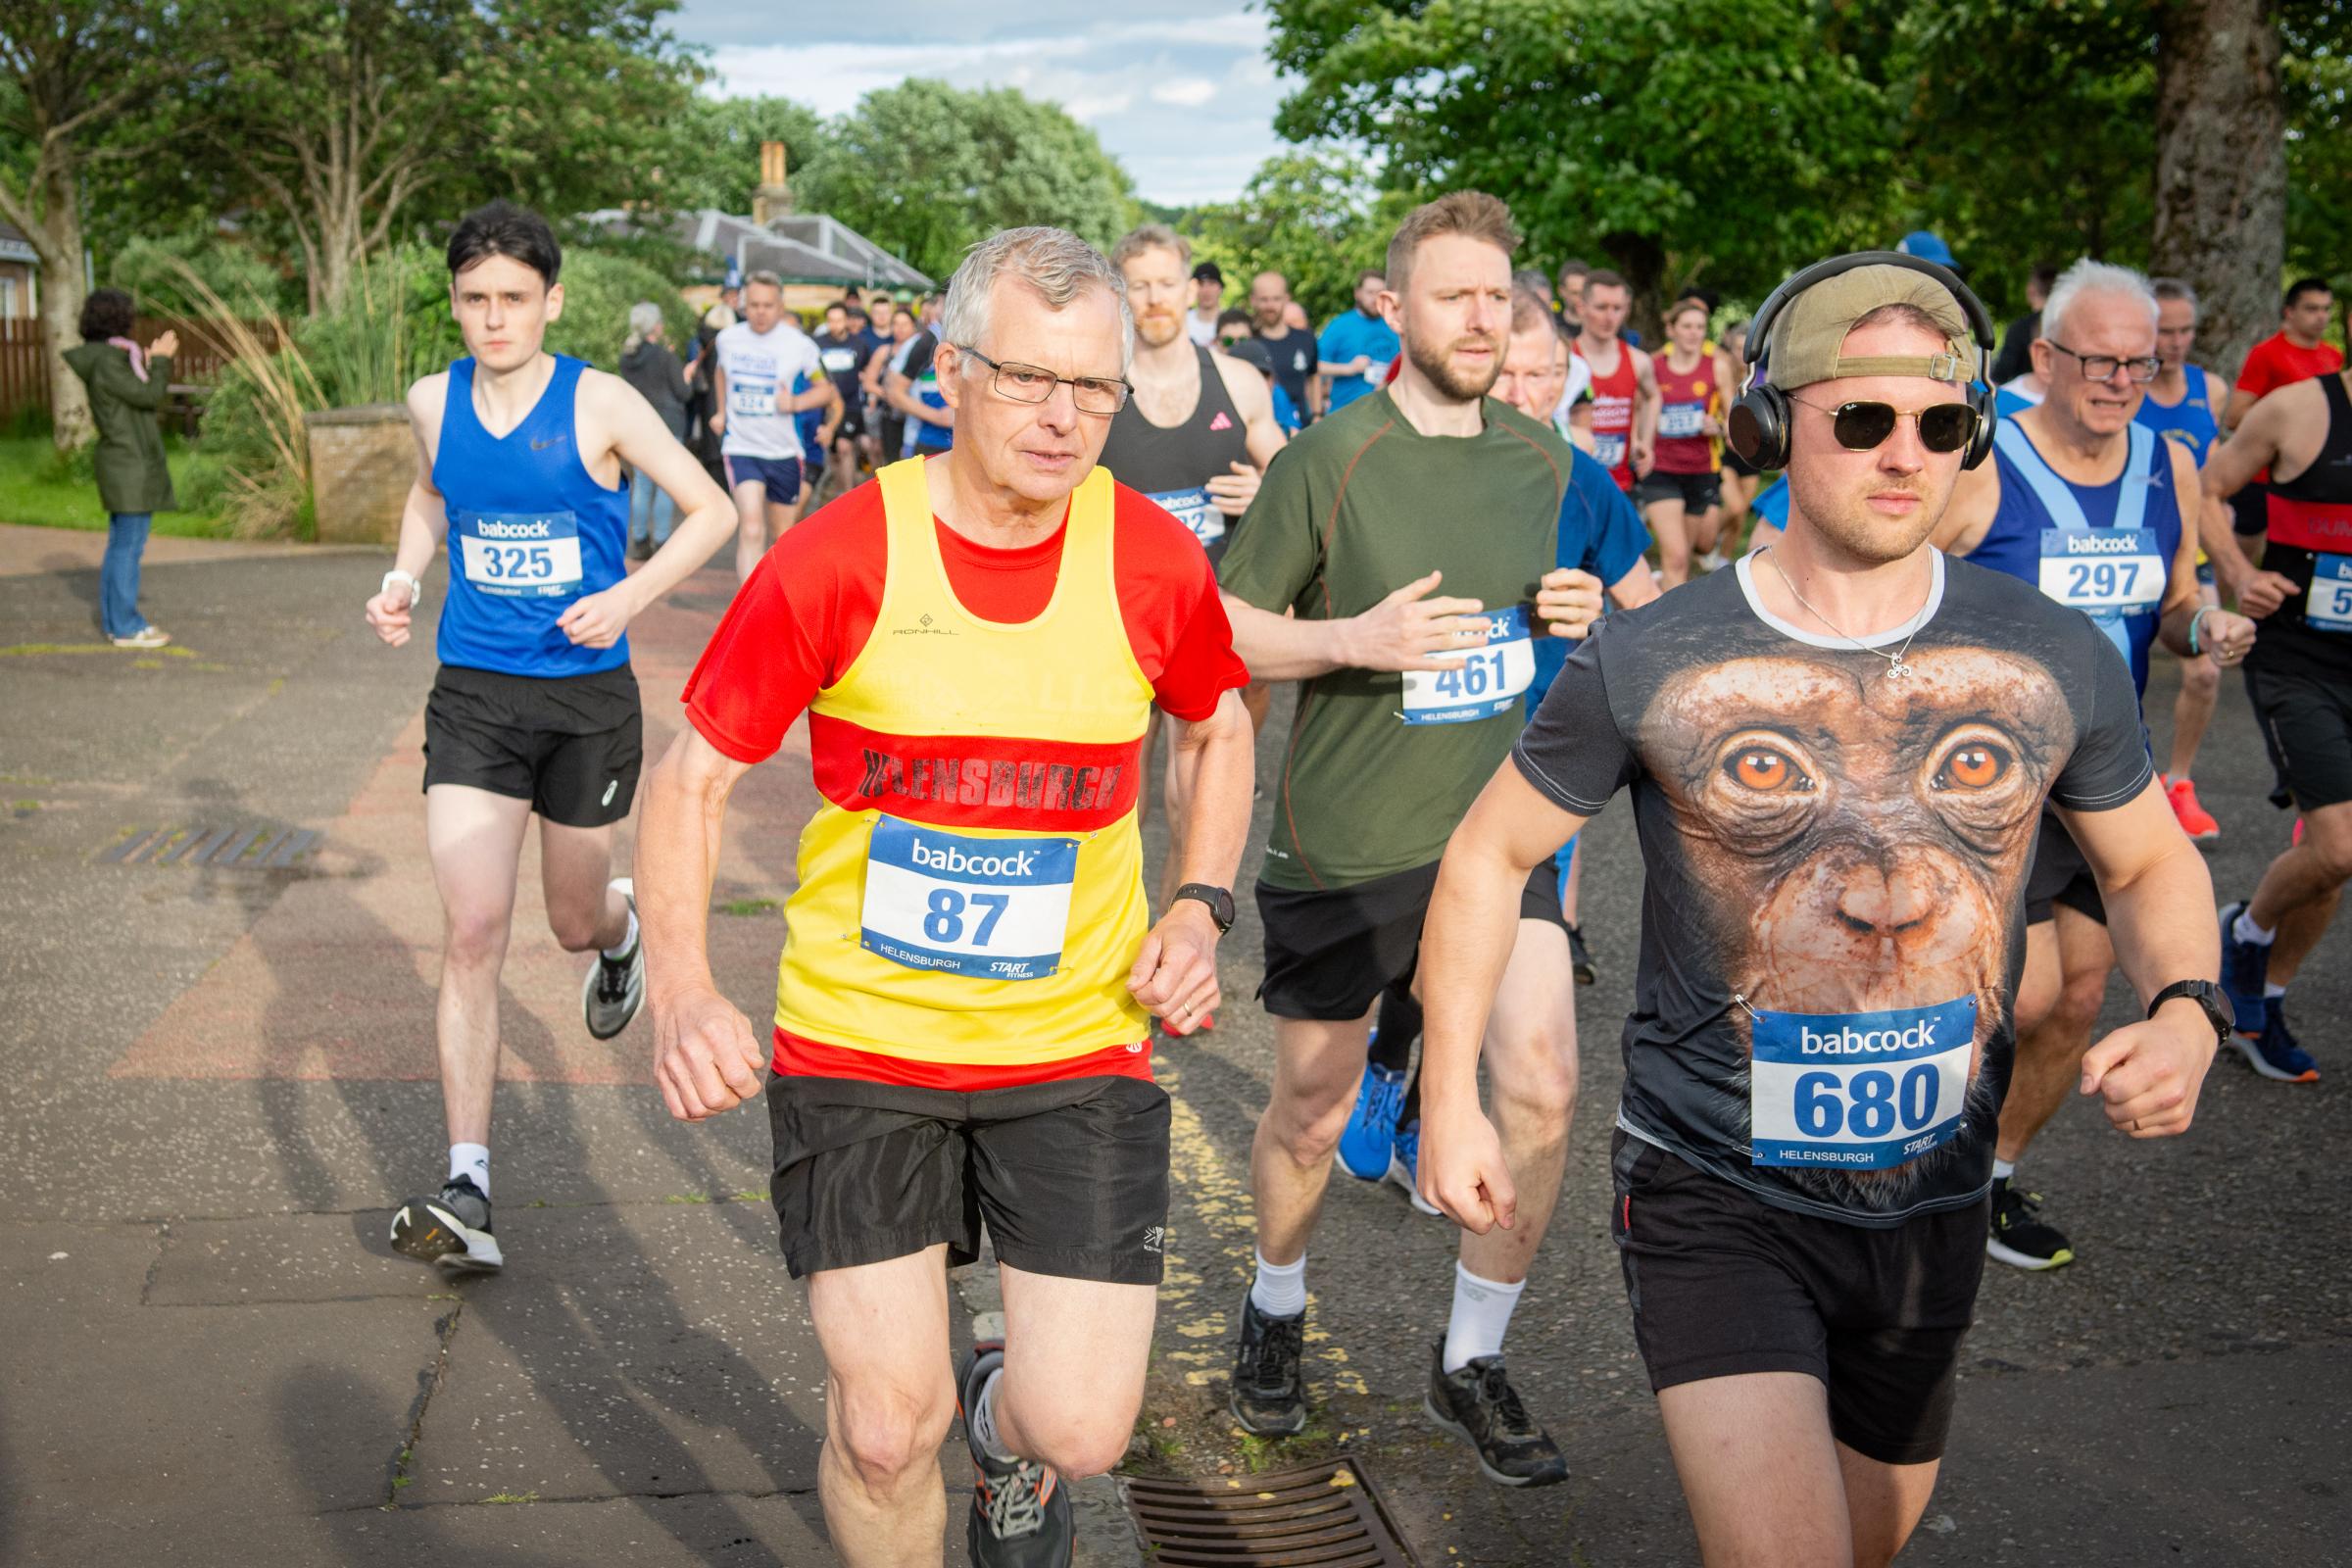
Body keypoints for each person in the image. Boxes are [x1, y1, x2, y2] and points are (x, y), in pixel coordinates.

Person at [1418, 252, 2227, 1567]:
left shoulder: (2045, 653)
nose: (1905, 454)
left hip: (1932, 1204)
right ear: (1770, 426)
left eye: (1942, 426)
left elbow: (2144, 864)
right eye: (1862, 419)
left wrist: (2190, 1006)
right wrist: (1452, 1092)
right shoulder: (1653, 654)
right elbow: (1486, 857)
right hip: (1714, 1194)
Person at [638, 224, 1254, 1568]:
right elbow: (687, 786)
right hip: (860, 1041)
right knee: (879, 1430)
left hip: (1075, 1042)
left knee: (1081, 1429)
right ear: (953, 370)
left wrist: (1200, 902)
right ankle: (934, 1430)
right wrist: (681, 988)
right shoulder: (841, 554)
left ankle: (1006, 1420)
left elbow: (1215, 727)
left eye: (1093, 388)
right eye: (1030, 379)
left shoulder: (1151, 559)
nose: (1064, 416)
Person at [1219, 191, 1607, 1489]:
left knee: (1544, 1087)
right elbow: (1221, 628)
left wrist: (1577, 604)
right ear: (1396, 308)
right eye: (1457, 296)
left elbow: (1584, 612)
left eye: (1501, 296)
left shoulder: (1545, 462)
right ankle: (1275, 1305)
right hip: (1346, 848)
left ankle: (1470, 1359)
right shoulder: (1329, 459)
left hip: (1497, 844)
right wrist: (1346, 639)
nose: (1484, 319)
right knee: (1316, 1114)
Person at [365, 201, 735, 1274]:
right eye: (474, 300)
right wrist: (401, 576)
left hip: (586, 701)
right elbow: (434, 493)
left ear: (550, 301)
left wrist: (629, 597)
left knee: (570, 917)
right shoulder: (434, 400)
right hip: (475, 694)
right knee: (473, 926)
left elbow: (707, 510)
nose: (493, 320)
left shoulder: (603, 401)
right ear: (455, 302)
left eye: (513, 300)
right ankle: (467, 1183)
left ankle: (617, 938)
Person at [1933, 259, 2254, 1270]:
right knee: (2019, 1000)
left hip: (2105, 775)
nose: (2125, 379)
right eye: (2103, 360)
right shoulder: (1982, 466)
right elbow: (1894, 604)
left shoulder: (2170, 464)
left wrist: (2203, 623)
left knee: (2077, 998)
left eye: (2144, 359)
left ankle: (1988, 1180)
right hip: (1986, 783)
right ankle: (1909, 1173)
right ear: (2045, 358)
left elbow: (2166, 606)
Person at [1340, 284, 1661, 1210]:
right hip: (1421, 750)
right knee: (1420, 942)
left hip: (1541, 764)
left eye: (1546, 374)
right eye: (1511, 370)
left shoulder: (1583, 481)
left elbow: (1650, 611)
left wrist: (1605, 612)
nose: (1526, 389)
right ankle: (1392, 1067)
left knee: (1486, 950)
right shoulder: (1413, 470)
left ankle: (1421, 1106)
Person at [1102, 223, 1288, 919]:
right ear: (1121, 292)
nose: (1155, 298)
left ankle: (1175, 933)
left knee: (1190, 803)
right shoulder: (1098, 386)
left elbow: (1295, 479)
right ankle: (1109, 935)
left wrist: (1266, 490)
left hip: (1209, 621)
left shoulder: (1236, 381)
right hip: (1115, 619)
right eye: (1139, 284)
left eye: (1166, 283)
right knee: (1121, 798)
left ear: (1192, 289)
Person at [2202, 346, 2352, 1084]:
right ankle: (2247, 931)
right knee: (2339, 845)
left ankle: (2268, 1000)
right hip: (2300, 664)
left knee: (2329, 865)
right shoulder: (2299, 409)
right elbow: (2208, 490)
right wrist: (2238, 575)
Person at [2135, 277, 2232, 841]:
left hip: (2189, 549)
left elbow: (2213, 475)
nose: (2174, 342)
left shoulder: (2210, 389)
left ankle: (2180, 783)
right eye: (2163, 331)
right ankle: (2122, 782)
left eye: (2183, 330)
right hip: (2133, 548)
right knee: (2122, 670)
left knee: (2205, 669)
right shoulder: (2124, 390)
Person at [62, 288, 178, 650]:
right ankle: (127, 627)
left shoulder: (108, 358)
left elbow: (133, 397)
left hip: (123, 461)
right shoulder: (109, 361)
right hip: (128, 464)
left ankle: (117, 623)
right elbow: (147, 396)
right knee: (128, 546)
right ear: (118, 319)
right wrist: (159, 361)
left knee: (121, 545)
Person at [710, 270, 831, 581]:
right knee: (750, 526)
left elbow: (825, 390)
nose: (760, 312)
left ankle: (778, 597)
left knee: (783, 535)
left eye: (767, 305)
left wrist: (794, 403)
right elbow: (721, 373)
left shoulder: (800, 345)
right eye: (753, 305)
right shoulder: (727, 339)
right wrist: (721, 411)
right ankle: (749, 605)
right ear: (743, 305)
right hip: (741, 446)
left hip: (784, 451)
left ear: (780, 306)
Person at [1636, 297, 1736, 586]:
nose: (1694, 333)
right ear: (1672, 330)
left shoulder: (1716, 367)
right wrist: (1640, 442)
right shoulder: (1653, 365)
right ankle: (1664, 627)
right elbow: (1639, 410)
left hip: (1700, 470)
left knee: (1695, 550)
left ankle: (1665, 592)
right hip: (1661, 469)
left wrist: (1717, 426)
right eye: (1687, 326)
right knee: (1676, 556)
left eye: (1700, 327)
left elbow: (1733, 421)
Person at [1576, 269, 1659, 494]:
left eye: (1617, 308)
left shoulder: (1638, 361)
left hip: (1621, 486)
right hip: (1574, 485)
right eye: (1601, 307)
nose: (1609, 317)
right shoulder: (1565, 359)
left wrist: (1645, 442)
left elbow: (1653, 396)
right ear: (1581, 307)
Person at [619, 302, 690, 560]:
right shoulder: (666, 357)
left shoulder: (627, 358)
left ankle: (639, 540)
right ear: (655, 326)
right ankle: (661, 540)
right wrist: (687, 376)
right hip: (668, 424)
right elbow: (683, 392)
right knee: (665, 486)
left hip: (638, 425)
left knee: (642, 485)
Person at [1318, 269, 1401, 412]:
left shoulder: (1396, 324)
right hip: (1346, 414)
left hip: (1390, 414)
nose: (1375, 298)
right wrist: (1348, 368)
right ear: (1357, 293)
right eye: (1370, 292)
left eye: (1379, 293)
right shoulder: (1339, 325)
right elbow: (1315, 366)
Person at [813, 299, 872, 491]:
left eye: (839, 320)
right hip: (826, 406)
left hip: (851, 404)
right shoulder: (817, 344)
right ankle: (839, 491)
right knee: (833, 452)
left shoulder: (859, 344)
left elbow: (867, 372)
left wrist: (870, 397)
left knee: (844, 446)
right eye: (831, 320)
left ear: (847, 320)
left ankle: (847, 492)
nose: (835, 324)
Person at [1249, 270, 1319, 428]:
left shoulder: (1306, 339)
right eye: (1264, 299)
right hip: (1258, 430)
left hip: (1301, 430)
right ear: (1253, 300)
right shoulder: (1248, 343)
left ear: (1286, 299)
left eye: (1276, 299)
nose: (1270, 305)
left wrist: (1317, 414)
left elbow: (1313, 376)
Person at [887, 302, 955, 462]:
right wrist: (937, 417)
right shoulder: (928, 341)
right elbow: (893, 393)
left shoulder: (977, 336)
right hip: (928, 441)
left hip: (965, 441)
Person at [1989, 263, 2058, 386]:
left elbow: (2001, 373)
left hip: (2022, 400)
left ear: (2031, 289)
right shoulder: (2066, 327)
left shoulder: (2020, 328)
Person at [869, 305, 916, 469]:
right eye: (895, 323)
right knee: (892, 463)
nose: (900, 328)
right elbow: (869, 382)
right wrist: (889, 394)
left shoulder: (922, 351)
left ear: (913, 326)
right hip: (891, 415)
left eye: (905, 324)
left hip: (917, 416)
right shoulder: (884, 351)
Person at [1187, 260, 1226, 346]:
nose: (1206, 290)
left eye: (1211, 284)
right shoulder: (1182, 322)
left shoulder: (1230, 321)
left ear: (1221, 288)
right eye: (1201, 284)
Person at [1555, 259, 1591, 336]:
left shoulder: (1603, 326)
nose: (1582, 298)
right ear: (1561, 291)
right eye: (1575, 293)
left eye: (1585, 292)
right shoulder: (1552, 325)